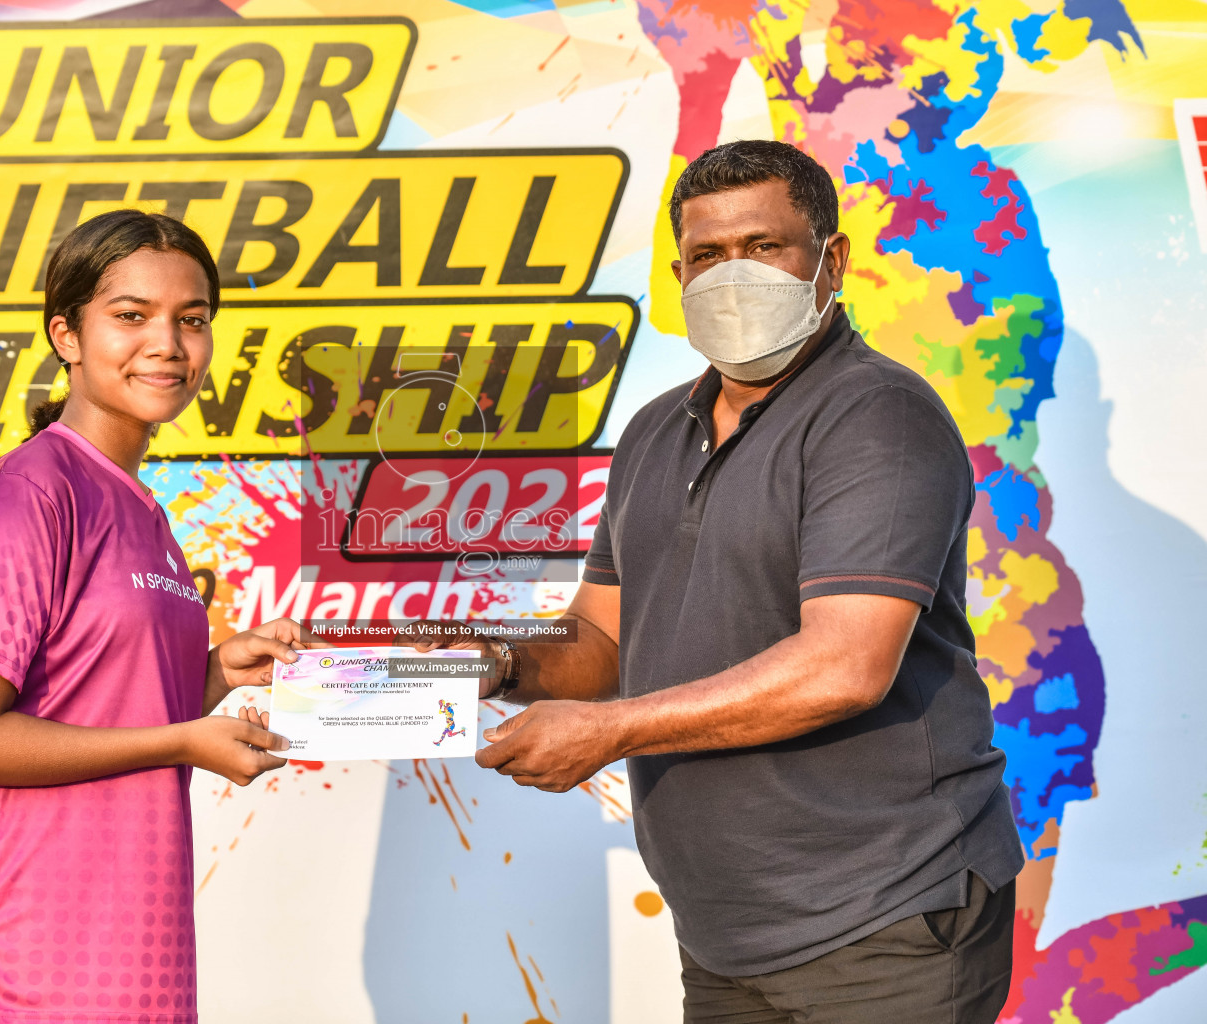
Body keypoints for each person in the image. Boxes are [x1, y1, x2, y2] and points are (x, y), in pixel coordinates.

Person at [415, 140, 1025, 1022]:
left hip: (886, 919)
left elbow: (844, 665)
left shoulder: (875, 415)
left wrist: (609, 733)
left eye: (764, 246)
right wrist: (494, 660)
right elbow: (600, 642)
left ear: (832, 259)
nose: (732, 275)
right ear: (678, 274)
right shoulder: (657, 431)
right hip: (727, 933)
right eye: (707, 256)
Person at [0, 209, 304, 1023]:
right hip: (25, 945)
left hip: (129, 939)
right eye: (131, 316)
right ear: (67, 335)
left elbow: (105, 704)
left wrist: (218, 673)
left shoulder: (142, 509)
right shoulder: (30, 494)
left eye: (191, 320)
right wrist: (181, 741)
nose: (167, 343)